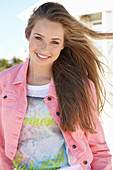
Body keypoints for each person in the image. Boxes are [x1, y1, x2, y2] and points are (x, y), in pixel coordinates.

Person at [0, 2, 112, 170]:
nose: (45, 49)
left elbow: (99, 149)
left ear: (63, 45)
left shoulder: (81, 86)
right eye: (39, 38)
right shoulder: (5, 82)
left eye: (54, 42)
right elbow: (2, 146)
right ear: (27, 34)